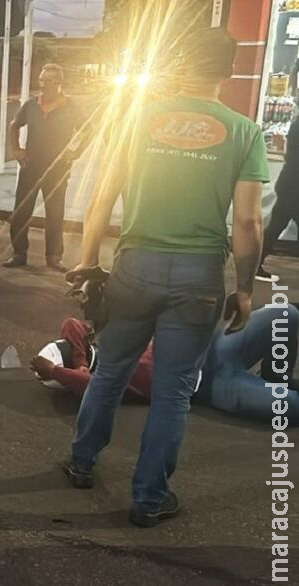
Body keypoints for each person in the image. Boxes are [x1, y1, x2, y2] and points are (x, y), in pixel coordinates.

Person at [63, 29, 269, 528]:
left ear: (180, 62)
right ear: (227, 71)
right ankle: (150, 497)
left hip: (135, 266)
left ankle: (81, 462)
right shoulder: (244, 132)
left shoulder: (140, 119)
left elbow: (101, 197)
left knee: (110, 370)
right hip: (199, 275)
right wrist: (243, 289)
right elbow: (247, 223)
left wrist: (90, 260)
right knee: (174, 390)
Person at [31, 306, 299, 420]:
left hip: (212, 347)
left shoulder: (103, 348)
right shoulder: (106, 382)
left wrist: (73, 360)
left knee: (285, 314)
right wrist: (55, 371)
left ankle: (276, 377)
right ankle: (275, 386)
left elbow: (72, 324)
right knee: (291, 407)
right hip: (212, 385)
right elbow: (83, 382)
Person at [4, 64, 86, 273]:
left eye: (49, 81)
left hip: (58, 168)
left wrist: (76, 152)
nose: (44, 85)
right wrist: (17, 149)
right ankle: (19, 253)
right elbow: (15, 125)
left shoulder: (71, 107)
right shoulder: (32, 106)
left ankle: (54, 256)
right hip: (31, 166)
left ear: (59, 83)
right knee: (22, 210)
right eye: (41, 80)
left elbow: (89, 130)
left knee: (55, 213)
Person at [256, 115, 298, 282]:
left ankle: (255, 264)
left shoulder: (296, 125)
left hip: (289, 182)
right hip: (294, 185)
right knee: (275, 226)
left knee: (275, 226)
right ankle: (255, 264)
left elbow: (289, 155)